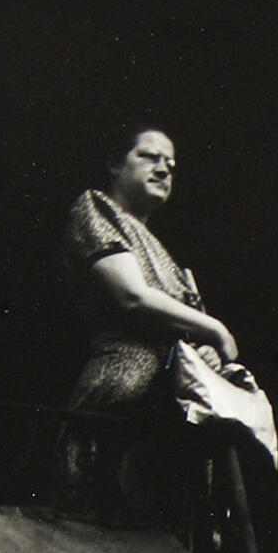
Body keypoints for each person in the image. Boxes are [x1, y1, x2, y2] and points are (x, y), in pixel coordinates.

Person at [59, 123, 252, 522]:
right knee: (99, 527)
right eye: (148, 156)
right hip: (119, 392)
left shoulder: (168, 258)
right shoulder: (97, 207)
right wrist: (214, 329)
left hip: (167, 411)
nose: (163, 169)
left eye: (171, 164)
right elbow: (130, 296)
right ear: (115, 164)